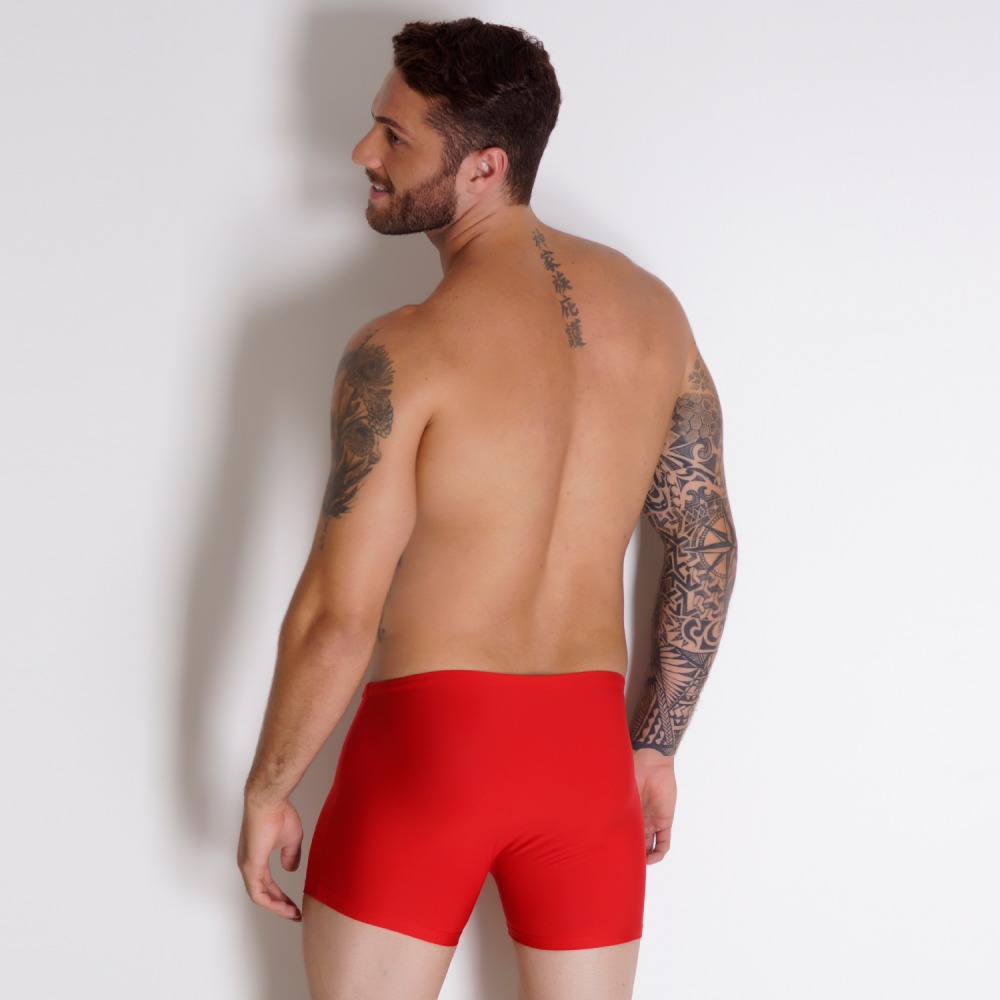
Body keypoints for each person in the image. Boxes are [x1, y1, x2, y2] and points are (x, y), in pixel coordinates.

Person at [237, 18, 737, 1000]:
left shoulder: (402, 349)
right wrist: (654, 746)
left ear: (484, 167)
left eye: (394, 135)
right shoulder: (655, 314)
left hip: (429, 754)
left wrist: (269, 788)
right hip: (588, 769)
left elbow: (338, 614)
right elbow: (703, 540)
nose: (363, 152)